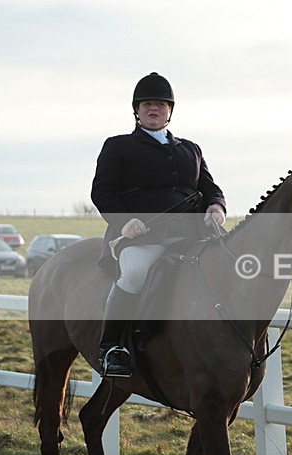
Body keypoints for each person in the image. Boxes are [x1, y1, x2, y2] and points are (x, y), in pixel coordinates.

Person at [91, 72, 227, 378]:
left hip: (191, 235)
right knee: (137, 272)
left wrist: (217, 206)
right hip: (142, 237)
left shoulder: (190, 149)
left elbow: (210, 187)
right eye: (148, 104)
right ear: (137, 110)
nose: (154, 109)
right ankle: (112, 347)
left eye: (161, 104)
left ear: (170, 111)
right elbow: (102, 192)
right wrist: (125, 222)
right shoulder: (118, 146)